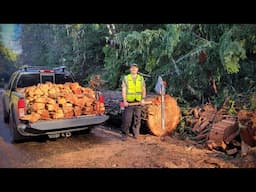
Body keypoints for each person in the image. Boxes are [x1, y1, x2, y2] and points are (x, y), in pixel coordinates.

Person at [121, 63, 146, 140]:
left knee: (137, 119)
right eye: (132, 68)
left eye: (135, 68)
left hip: (138, 102)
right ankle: (125, 134)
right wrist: (124, 101)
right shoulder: (126, 78)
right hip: (129, 102)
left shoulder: (141, 78)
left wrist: (143, 99)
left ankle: (136, 133)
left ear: (137, 69)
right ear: (130, 69)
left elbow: (143, 89)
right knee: (127, 119)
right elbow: (124, 90)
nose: (134, 69)